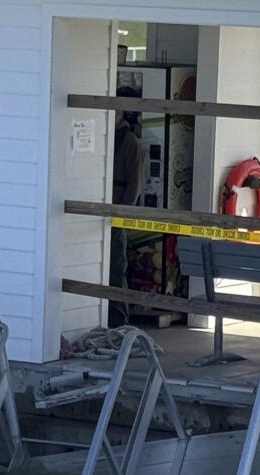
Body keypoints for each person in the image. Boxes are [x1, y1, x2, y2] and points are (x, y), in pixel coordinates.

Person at [108, 86, 143, 327]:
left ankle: (119, 320)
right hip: (102, 206)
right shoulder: (104, 137)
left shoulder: (129, 141)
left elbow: (135, 183)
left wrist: (123, 213)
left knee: (116, 268)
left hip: (117, 210)